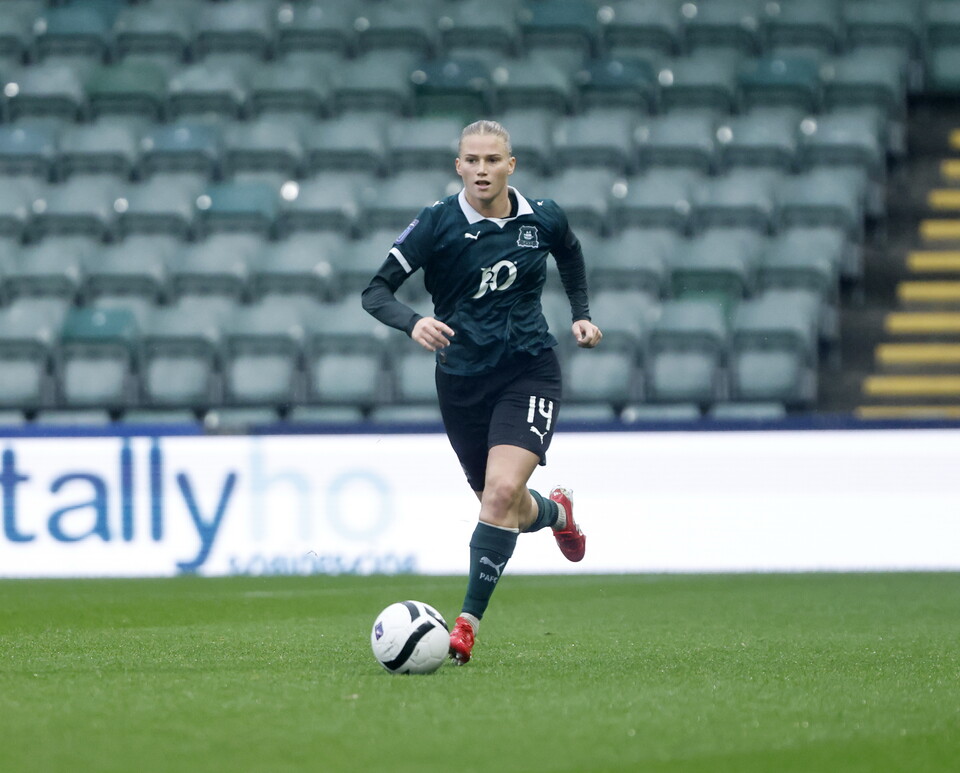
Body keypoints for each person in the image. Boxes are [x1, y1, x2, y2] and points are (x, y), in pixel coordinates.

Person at [361, 119, 603, 665]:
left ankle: (465, 627)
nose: (481, 170)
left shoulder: (542, 216)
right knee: (506, 508)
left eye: (492, 160)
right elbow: (374, 291)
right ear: (458, 166)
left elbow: (570, 251)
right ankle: (558, 512)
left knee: (497, 497)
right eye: (471, 160)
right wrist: (411, 322)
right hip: (462, 382)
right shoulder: (437, 224)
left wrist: (582, 316)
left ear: (510, 165)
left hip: (528, 371)